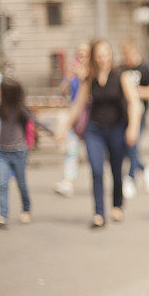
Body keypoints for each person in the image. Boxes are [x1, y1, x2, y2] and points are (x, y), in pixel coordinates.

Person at [56, 40, 142, 228]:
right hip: (94, 130)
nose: (104, 58)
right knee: (96, 170)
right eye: (100, 54)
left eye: (107, 53)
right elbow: (77, 105)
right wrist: (63, 129)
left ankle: (117, 205)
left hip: (116, 128)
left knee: (116, 170)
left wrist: (133, 127)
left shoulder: (121, 76)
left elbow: (134, 103)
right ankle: (99, 213)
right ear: (94, 57)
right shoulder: (90, 79)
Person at [120, 38, 149, 198]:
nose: (127, 58)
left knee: (133, 146)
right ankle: (145, 169)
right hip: (123, 116)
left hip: (141, 115)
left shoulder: (145, 68)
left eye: (130, 54)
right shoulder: (122, 69)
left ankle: (130, 178)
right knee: (127, 149)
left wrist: (135, 92)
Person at [53, 42, 90, 198]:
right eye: (79, 53)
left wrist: (83, 77)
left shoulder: (92, 72)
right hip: (75, 115)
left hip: (91, 117)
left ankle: (120, 180)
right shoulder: (73, 72)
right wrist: (69, 77)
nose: (81, 57)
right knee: (72, 150)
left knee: (99, 153)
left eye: (85, 53)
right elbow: (62, 90)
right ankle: (68, 182)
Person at [0, 78, 35, 226]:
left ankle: (26, 209)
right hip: (3, 152)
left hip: (19, 151)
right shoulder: (0, 110)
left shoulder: (21, 110)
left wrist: (54, 133)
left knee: (21, 183)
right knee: (3, 184)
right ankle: (3, 215)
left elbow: (34, 122)